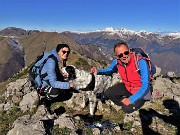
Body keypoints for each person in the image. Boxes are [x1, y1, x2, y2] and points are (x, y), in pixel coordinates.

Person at [91, 42, 154, 113]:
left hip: (141, 91)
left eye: (126, 53)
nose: (124, 56)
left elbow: (145, 85)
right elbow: (110, 70)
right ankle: (126, 102)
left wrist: (131, 100)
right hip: (128, 87)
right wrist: (98, 71)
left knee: (127, 109)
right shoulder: (117, 62)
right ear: (117, 56)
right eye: (120, 55)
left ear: (129, 51)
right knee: (109, 93)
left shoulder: (140, 62)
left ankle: (135, 103)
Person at [31, 43, 74, 112]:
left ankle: (48, 98)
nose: (66, 53)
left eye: (68, 52)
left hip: (47, 80)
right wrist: (69, 85)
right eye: (64, 52)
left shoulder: (55, 57)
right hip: (43, 84)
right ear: (58, 51)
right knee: (56, 91)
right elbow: (53, 83)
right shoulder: (51, 61)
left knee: (67, 90)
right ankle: (45, 101)